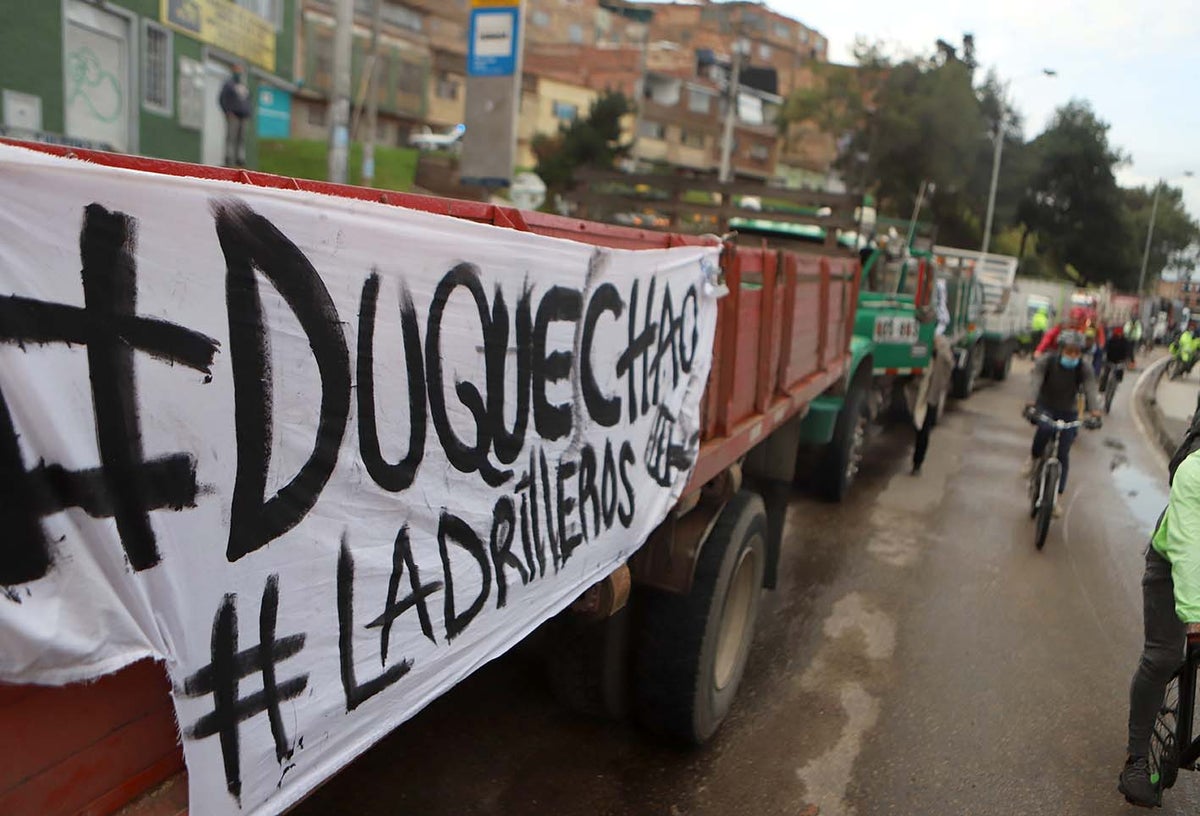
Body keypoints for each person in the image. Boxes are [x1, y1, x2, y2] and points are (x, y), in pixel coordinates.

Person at [1118, 414, 1200, 807]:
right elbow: (1188, 548)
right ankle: (1135, 759)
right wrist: (1194, 615)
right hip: (1174, 564)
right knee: (1164, 655)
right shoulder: (1194, 470)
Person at [1021, 330, 1102, 516]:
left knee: (1064, 452)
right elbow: (1035, 382)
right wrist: (1030, 404)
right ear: (1060, 349)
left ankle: (1056, 497)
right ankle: (1033, 459)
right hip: (1045, 405)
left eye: (1077, 352)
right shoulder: (1046, 361)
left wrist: (1095, 413)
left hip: (1068, 410)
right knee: (1044, 430)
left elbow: (1090, 388)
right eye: (1069, 351)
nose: (1072, 355)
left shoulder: (1084, 368)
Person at [911, 278, 953, 475]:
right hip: (918, 378)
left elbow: (947, 363)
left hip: (929, 383)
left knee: (924, 423)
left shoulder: (941, 345)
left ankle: (917, 463)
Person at [219, 64, 252, 167]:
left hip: (243, 116)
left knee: (241, 138)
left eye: (240, 70)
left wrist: (248, 113)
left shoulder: (243, 85)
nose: (239, 72)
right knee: (231, 137)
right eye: (237, 70)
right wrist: (227, 111)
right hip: (233, 115)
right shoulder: (228, 84)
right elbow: (221, 98)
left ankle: (240, 159)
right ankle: (228, 158)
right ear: (233, 71)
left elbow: (248, 100)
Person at [1099, 325, 1135, 393]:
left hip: (1119, 362)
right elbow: (1105, 349)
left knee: (1118, 374)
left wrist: (1131, 360)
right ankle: (1102, 389)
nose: (1118, 335)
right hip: (1110, 361)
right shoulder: (1111, 340)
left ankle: (1116, 383)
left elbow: (1129, 351)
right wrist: (1103, 357)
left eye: (1119, 334)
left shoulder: (1125, 341)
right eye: (1117, 334)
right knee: (1105, 375)